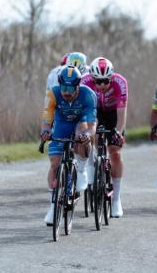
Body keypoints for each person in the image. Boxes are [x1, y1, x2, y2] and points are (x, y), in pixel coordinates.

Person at [41, 65, 97, 225]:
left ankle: (81, 170)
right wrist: (45, 131)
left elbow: (92, 125)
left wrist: (88, 135)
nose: (66, 92)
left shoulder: (88, 95)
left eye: (70, 88)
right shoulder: (53, 93)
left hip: (81, 123)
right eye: (63, 87)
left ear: (78, 86)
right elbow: (46, 118)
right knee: (55, 164)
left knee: (81, 135)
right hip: (61, 125)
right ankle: (53, 207)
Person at [82, 57, 128, 218]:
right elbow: (84, 111)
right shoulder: (84, 81)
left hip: (113, 114)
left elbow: (122, 112)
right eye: (98, 81)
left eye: (105, 81)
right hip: (94, 112)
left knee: (115, 152)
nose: (101, 85)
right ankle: (92, 164)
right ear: (92, 78)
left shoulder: (120, 82)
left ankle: (116, 199)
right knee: (92, 138)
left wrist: (118, 132)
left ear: (111, 77)